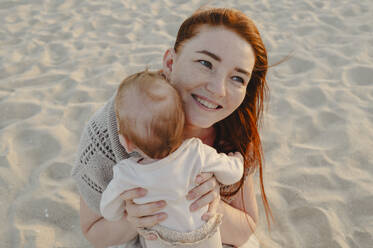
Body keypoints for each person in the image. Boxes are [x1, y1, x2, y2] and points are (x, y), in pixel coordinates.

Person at [72, 7, 271, 248]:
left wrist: (212, 203)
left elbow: (245, 228)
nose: (219, 90)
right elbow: (93, 231)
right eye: (205, 63)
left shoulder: (234, 125)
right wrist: (135, 218)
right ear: (169, 62)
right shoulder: (115, 126)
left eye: (237, 78)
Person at [99, 70, 244, 248]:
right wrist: (238, 161)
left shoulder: (126, 173)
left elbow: (109, 212)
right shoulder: (195, 151)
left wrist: (125, 210)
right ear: (182, 125)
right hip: (203, 234)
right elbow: (232, 175)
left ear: (127, 143)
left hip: (161, 240)